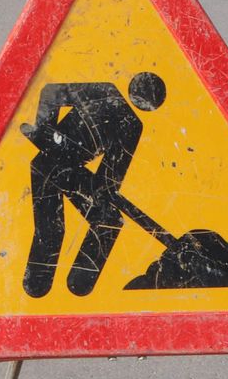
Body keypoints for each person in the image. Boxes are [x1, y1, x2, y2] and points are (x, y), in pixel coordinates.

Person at [20, 73, 167, 298]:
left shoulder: (132, 126)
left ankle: (78, 284)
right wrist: (46, 132)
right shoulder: (104, 91)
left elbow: (108, 181)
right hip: (47, 164)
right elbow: (50, 92)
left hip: (71, 171)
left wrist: (105, 194)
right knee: (52, 229)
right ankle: (37, 287)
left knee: (109, 219)